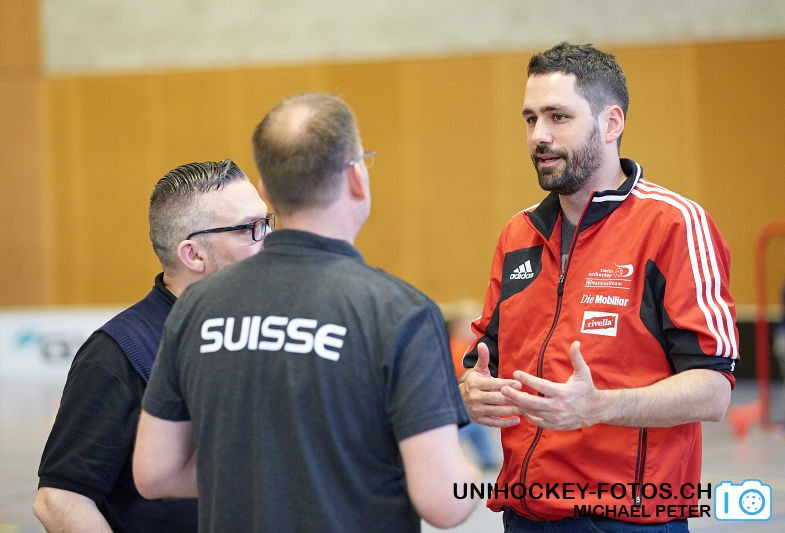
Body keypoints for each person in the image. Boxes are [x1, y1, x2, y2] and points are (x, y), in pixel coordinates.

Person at [133, 92, 480, 532]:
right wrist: (477, 475)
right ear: (356, 177)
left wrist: (270, 478)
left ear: (265, 190)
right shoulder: (400, 313)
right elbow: (444, 502)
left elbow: (155, 473)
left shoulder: (197, 306)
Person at [457, 42, 739, 531]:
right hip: (523, 514)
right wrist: (471, 391)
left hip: (629, 519)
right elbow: (487, 359)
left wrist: (599, 406)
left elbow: (713, 390)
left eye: (558, 117)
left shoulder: (673, 225)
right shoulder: (518, 234)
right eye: (530, 119)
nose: (538, 136)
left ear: (611, 124)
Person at [34, 159, 271, 532]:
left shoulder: (266, 332)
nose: (267, 240)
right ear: (193, 254)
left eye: (267, 222)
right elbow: (59, 500)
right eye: (248, 229)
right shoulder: (117, 354)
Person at [442, 298, 500, 470]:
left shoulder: (465, 346)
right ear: (456, 327)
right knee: (468, 426)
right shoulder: (458, 347)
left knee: (477, 427)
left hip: (461, 401)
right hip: (456, 401)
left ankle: (488, 459)